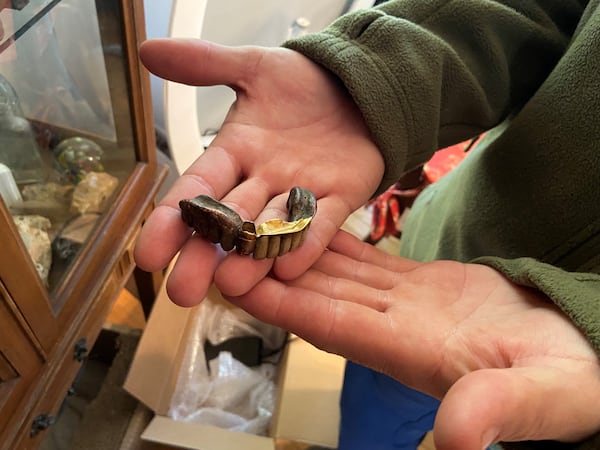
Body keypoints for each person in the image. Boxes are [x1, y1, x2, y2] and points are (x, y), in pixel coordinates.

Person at [134, 1, 600, 449]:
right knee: (372, 401)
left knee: (456, 416)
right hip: (435, 254)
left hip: (535, 348)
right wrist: (372, 80)